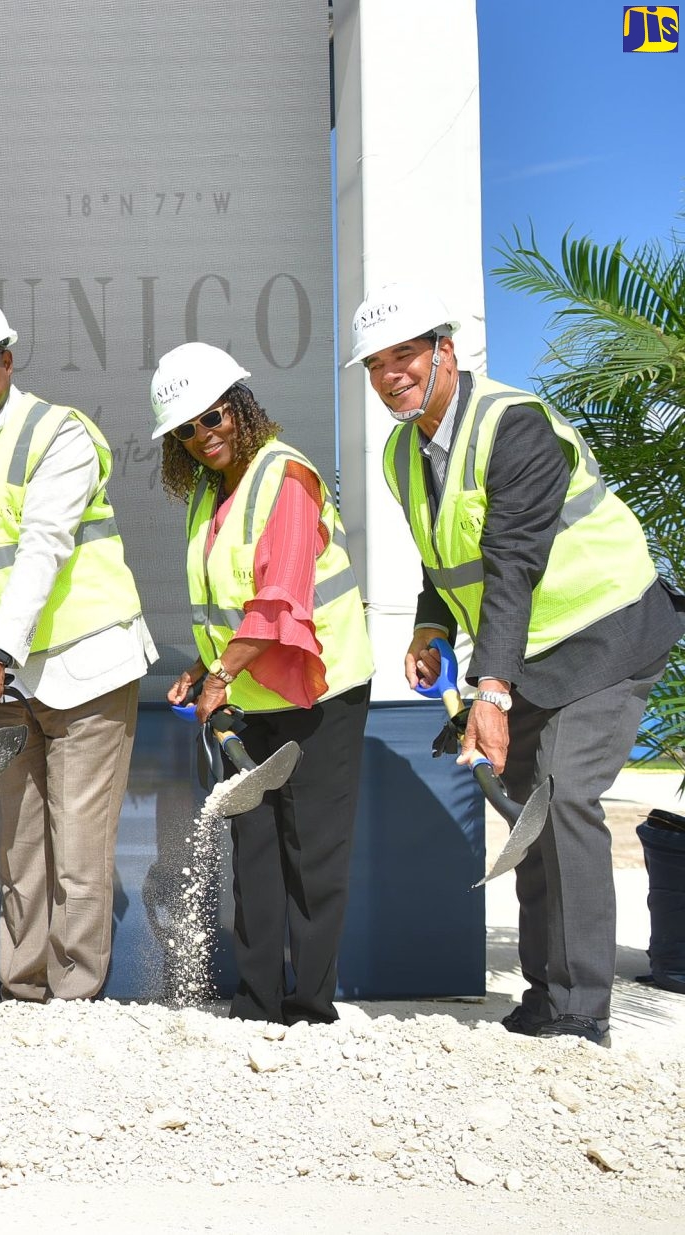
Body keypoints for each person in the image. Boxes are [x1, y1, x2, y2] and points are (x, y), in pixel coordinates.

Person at [351, 282, 684, 1046]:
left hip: (606, 630)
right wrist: (431, 631)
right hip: (533, 652)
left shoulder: (514, 424)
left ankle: (579, 1012)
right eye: (374, 363)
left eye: (404, 354)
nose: (389, 374)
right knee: (531, 813)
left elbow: (511, 562)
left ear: (446, 350)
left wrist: (489, 688)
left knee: (563, 800)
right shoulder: (404, 451)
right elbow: (444, 559)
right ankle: (547, 997)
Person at [0, 290, 155, 1003]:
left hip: (86, 666)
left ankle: (73, 999)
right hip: (11, 679)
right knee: (20, 849)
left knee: (78, 850)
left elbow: (43, 549)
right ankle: (22, 993)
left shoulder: (60, 435)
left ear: (7, 360)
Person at [149, 342, 374, 1024]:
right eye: (186, 429)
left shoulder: (287, 476)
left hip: (319, 694)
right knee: (254, 852)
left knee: (313, 852)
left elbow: (279, 600)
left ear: (240, 405)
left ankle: (308, 1008)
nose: (203, 435)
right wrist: (203, 665)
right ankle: (254, 1002)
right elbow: (232, 604)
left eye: (212, 416)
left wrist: (221, 672)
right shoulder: (210, 493)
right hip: (250, 697)